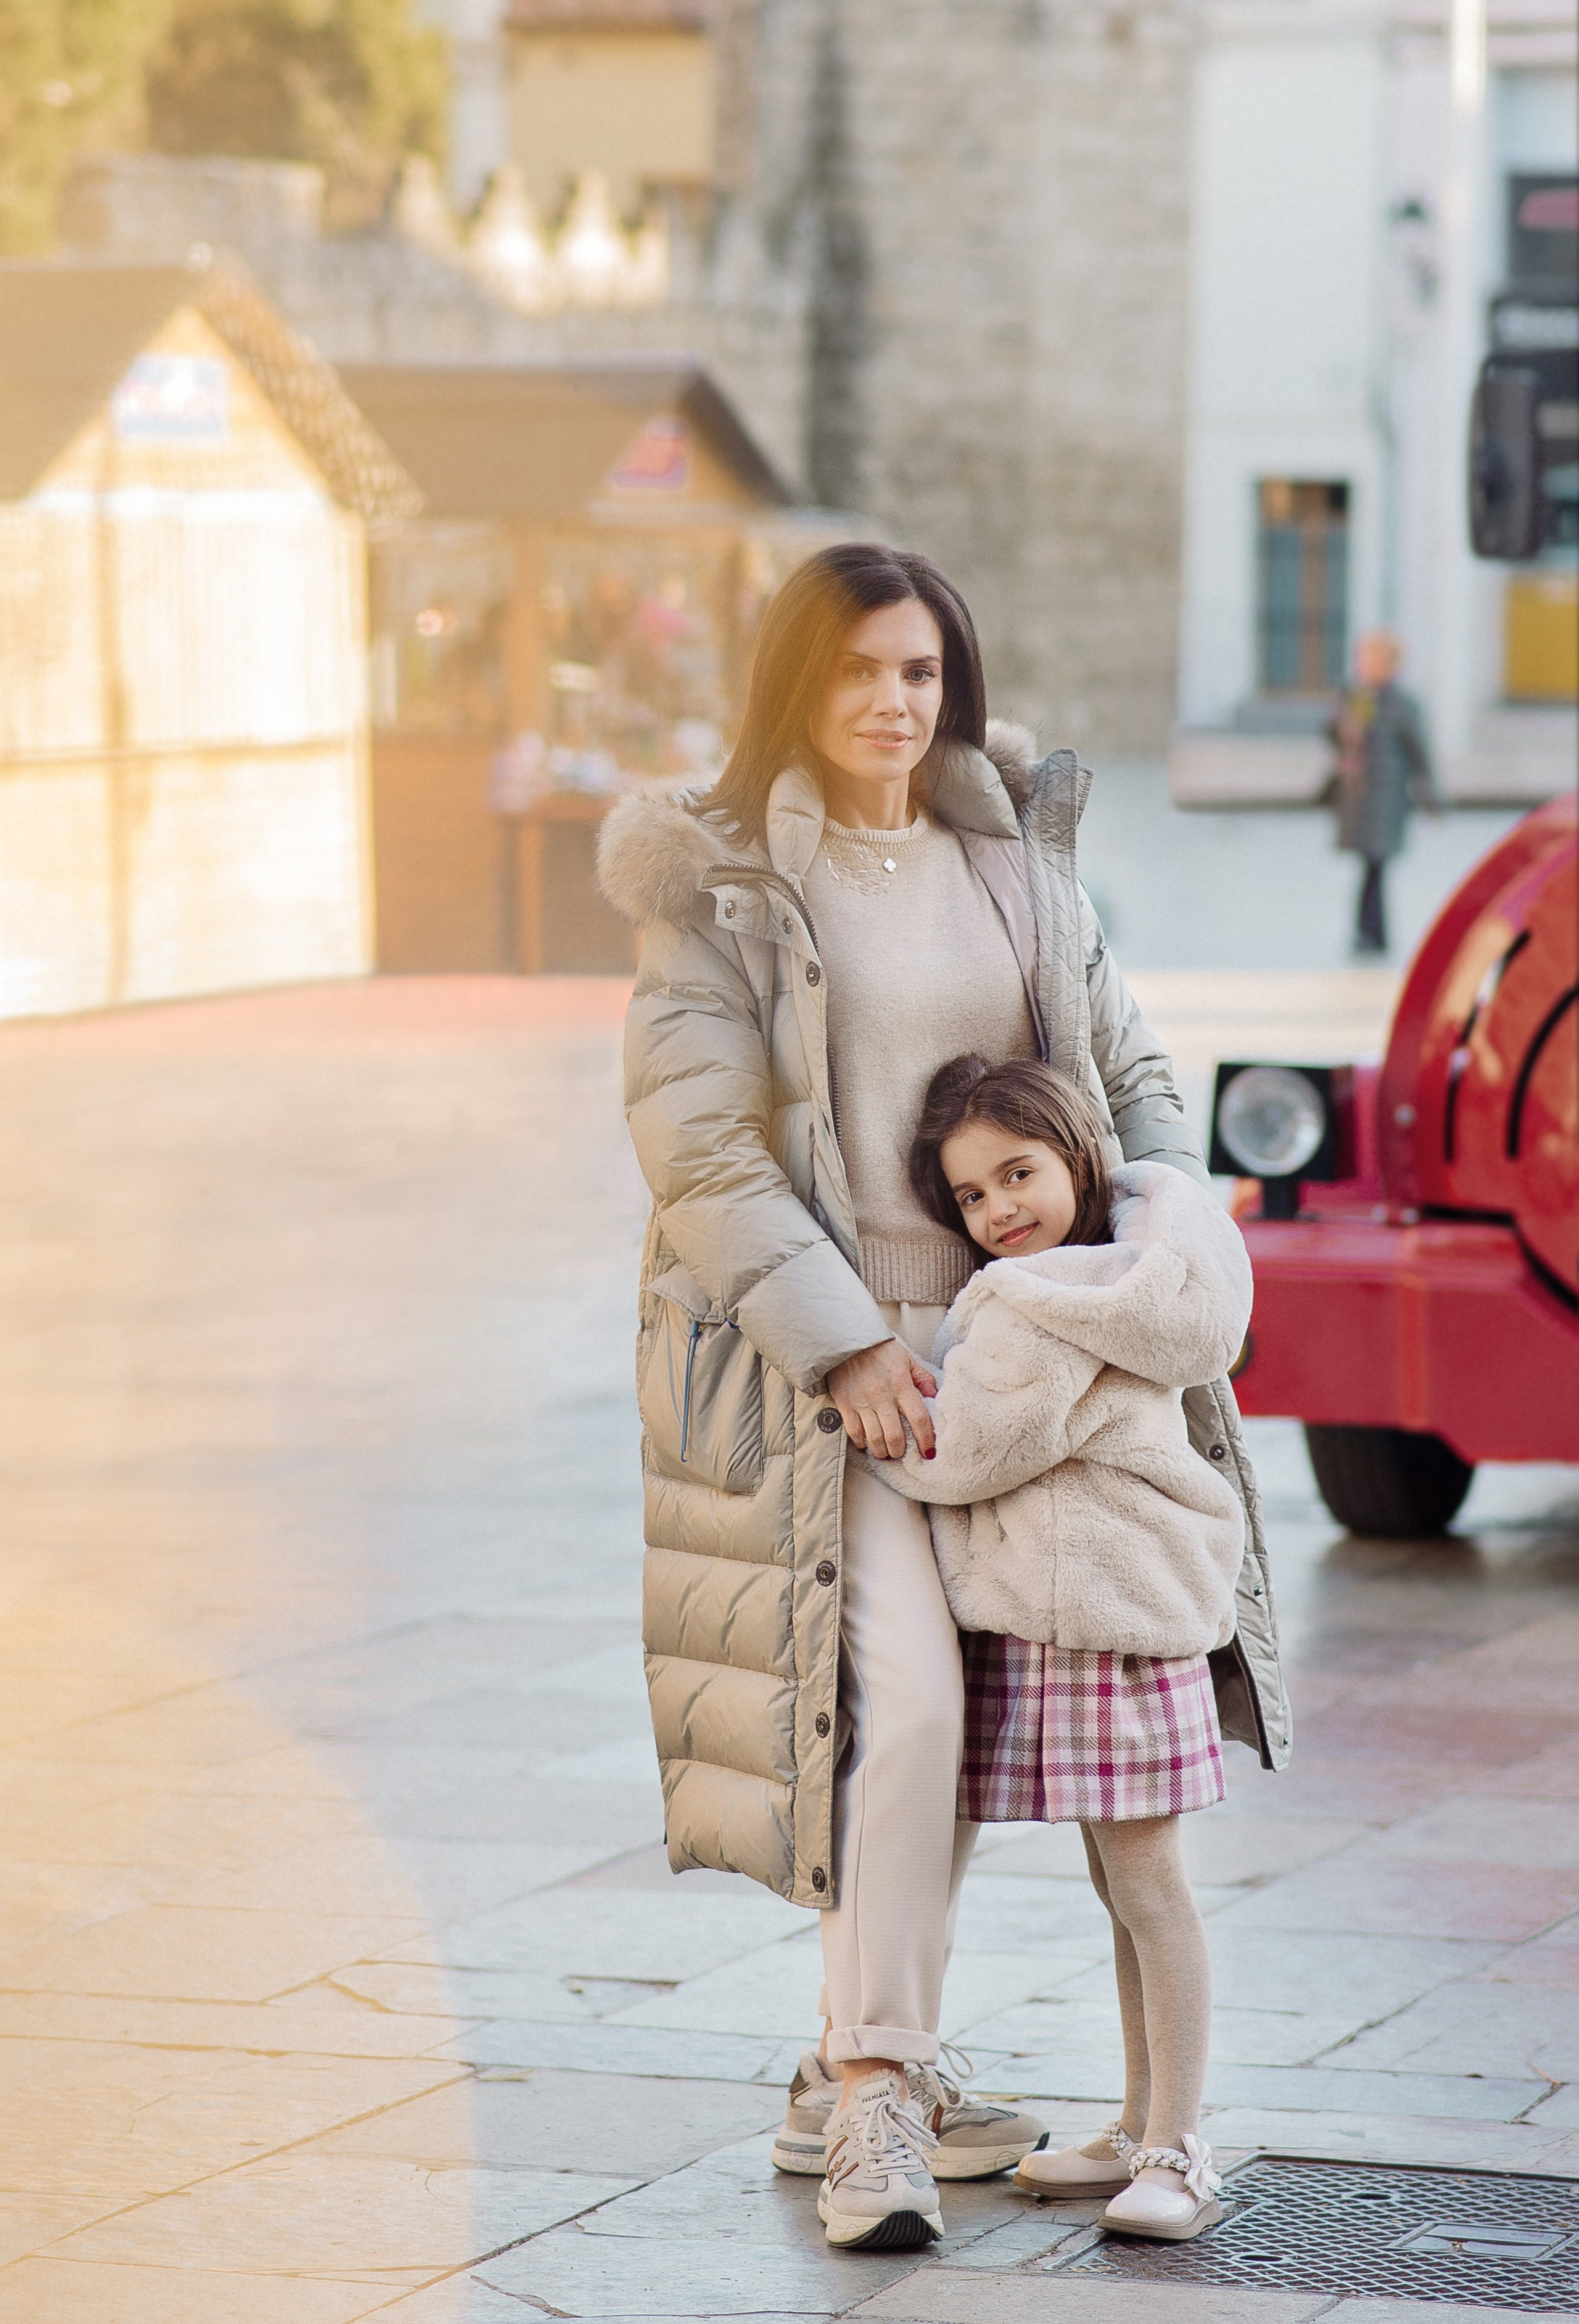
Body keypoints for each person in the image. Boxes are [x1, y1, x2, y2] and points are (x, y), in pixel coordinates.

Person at [596, 543, 1288, 2254]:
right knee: (903, 1708)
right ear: (793, 689)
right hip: (847, 1378)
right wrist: (845, 1345)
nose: (892, 703)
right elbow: (700, 1145)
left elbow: (1131, 1077)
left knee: (973, 1739)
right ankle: (880, 2104)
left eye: (918, 671)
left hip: (1028, 1355)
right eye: (855, 674)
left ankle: (855, 2063)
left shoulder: (1012, 861)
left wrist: (1160, 1233)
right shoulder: (726, 883)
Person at [859, 1053, 1259, 2243]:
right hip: (1112, 1605)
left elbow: (970, 1450)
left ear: (1079, 1153)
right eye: (972, 1196)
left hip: (1104, 1617)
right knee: (1122, 1881)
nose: (999, 1212)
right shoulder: (1139, 1270)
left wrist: (870, 1431)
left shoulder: (1041, 1303)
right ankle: (1141, 2125)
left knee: (1147, 1884)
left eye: (1018, 1171)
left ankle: (1182, 2145)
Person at [1327, 631, 1440, 955]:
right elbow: (1338, 738)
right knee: (1369, 866)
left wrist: (1429, 793)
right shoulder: (1355, 697)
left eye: (1372, 660)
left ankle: (1372, 933)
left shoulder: (1403, 704)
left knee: (1376, 865)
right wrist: (1343, 724)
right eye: (1363, 659)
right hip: (1359, 796)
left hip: (1387, 796)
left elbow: (1419, 750)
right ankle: (1371, 933)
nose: (1365, 666)